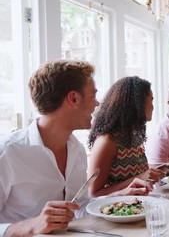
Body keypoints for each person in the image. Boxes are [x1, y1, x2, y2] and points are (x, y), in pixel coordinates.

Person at [0, 60, 99, 236]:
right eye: (93, 96)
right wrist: (32, 225)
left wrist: (120, 199)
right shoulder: (7, 153)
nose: (97, 103)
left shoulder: (77, 150)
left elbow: (80, 207)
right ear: (74, 98)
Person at [87, 77, 169, 198]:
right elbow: (93, 194)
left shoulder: (134, 136)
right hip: (118, 213)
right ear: (137, 103)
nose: (153, 107)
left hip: (140, 208)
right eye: (151, 101)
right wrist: (140, 177)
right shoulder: (107, 141)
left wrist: (161, 169)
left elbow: (137, 176)